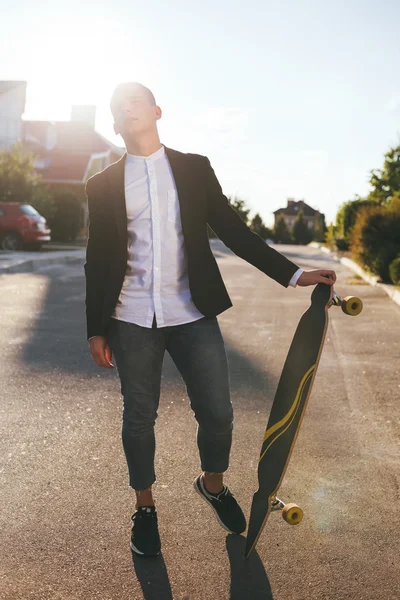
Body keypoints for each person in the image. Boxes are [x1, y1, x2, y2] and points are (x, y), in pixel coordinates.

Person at [84, 81, 336, 557]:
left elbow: (234, 231)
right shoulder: (102, 184)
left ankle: (212, 483)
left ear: (157, 111)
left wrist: (295, 274)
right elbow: (97, 259)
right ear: (115, 123)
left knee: (218, 412)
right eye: (118, 107)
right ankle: (144, 508)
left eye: (134, 101)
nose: (126, 110)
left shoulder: (193, 169)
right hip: (131, 316)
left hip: (191, 311)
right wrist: (95, 327)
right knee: (139, 418)